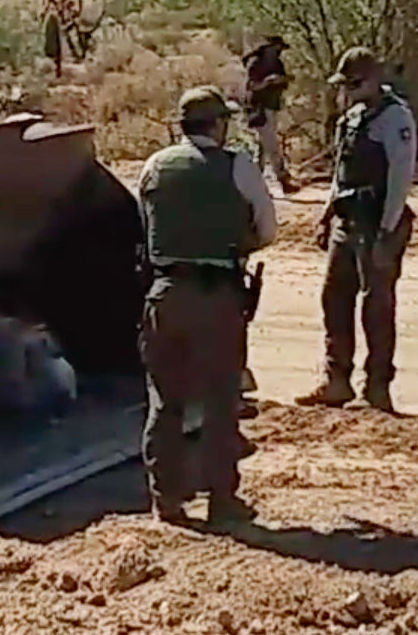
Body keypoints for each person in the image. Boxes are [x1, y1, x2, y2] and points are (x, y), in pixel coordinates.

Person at [137, 85, 277, 527]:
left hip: (166, 294)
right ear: (217, 125)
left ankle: (168, 501)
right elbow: (267, 229)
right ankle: (221, 500)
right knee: (220, 400)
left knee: (165, 401)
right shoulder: (237, 167)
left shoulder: (154, 167)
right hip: (218, 295)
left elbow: (147, 228)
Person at [295, 47, 417, 413]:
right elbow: (340, 172)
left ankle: (376, 388)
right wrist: (326, 213)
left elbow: (400, 178)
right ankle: (337, 380)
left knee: (376, 307)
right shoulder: (350, 119)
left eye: (356, 82)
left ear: (376, 79)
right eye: (345, 83)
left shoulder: (396, 119)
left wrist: (387, 230)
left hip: (376, 222)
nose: (349, 89)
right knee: (334, 299)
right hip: (346, 221)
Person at [242, 35, 299, 195]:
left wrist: (282, 80)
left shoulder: (277, 63)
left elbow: (284, 82)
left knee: (262, 147)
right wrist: (268, 82)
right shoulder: (256, 63)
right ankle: (282, 180)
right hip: (258, 108)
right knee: (271, 146)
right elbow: (251, 86)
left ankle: (253, 185)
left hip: (271, 107)